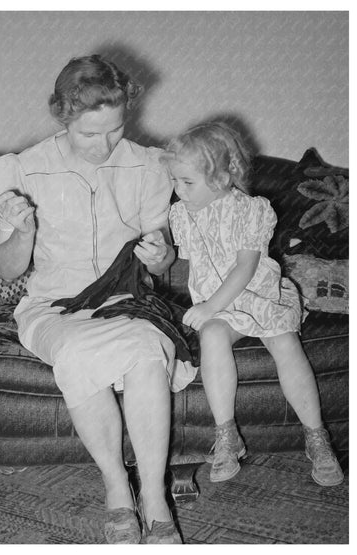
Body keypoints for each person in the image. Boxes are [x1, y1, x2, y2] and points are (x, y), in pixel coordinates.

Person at [0, 54, 192, 544]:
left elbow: (159, 263)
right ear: (62, 116)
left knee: (147, 351)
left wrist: (161, 254)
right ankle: (118, 487)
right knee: (78, 349)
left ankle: (154, 496)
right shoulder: (22, 170)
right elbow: (8, 270)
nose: (104, 146)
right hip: (54, 306)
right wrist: (22, 230)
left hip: (125, 300)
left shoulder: (148, 166)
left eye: (115, 130)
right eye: (88, 134)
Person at [165, 120, 344, 487]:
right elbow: (191, 262)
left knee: (284, 341)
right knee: (212, 335)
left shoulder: (252, 209)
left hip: (256, 294)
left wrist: (210, 305)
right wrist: (159, 255)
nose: (178, 191)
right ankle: (227, 434)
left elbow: (246, 267)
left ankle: (315, 435)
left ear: (224, 176)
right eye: (174, 181)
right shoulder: (180, 214)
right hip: (219, 305)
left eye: (187, 182)